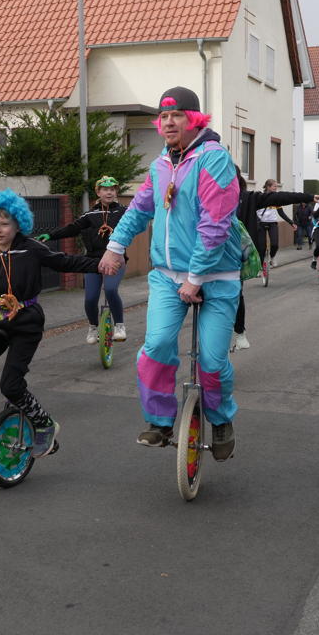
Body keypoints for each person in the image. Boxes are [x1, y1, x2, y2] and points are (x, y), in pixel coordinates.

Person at [99, 86, 241, 461]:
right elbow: (140, 208)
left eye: (176, 115)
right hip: (166, 275)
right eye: (163, 117)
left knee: (211, 361)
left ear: (194, 119)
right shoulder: (161, 164)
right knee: (157, 347)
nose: (168, 122)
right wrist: (115, 246)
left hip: (216, 276)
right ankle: (160, 421)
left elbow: (216, 224)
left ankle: (221, 419)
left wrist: (195, 277)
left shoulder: (214, 159)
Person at [0, 191, 100, 455]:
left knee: (10, 385)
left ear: (18, 224)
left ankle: (44, 425)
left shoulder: (31, 249)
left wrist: (100, 265)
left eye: (5, 224)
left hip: (27, 324)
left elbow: (65, 261)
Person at [39, 175, 129, 344]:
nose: (109, 192)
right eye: (105, 189)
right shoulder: (90, 214)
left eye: (112, 189)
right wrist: (51, 235)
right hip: (93, 262)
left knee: (110, 290)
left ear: (116, 191)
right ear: (98, 192)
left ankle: (119, 325)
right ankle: (93, 327)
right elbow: (72, 228)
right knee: (90, 298)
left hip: (116, 260)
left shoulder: (124, 211)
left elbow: (137, 221)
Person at [233, 174, 314, 349]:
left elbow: (282, 200)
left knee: (236, 292)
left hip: (235, 257)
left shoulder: (247, 198)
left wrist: (308, 197)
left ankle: (240, 332)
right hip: (212, 257)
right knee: (261, 247)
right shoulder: (206, 196)